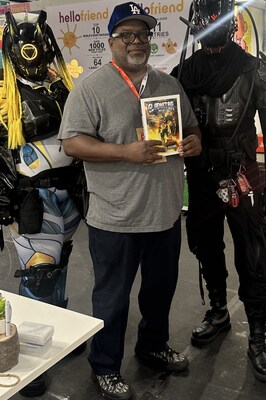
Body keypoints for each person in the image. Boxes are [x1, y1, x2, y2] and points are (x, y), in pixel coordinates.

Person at [58, 2, 201, 399]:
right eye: (127, 35)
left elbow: (190, 127)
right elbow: (72, 143)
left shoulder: (168, 84)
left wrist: (193, 142)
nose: (136, 42)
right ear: (112, 42)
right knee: (112, 300)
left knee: (160, 291)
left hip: (165, 214)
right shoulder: (92, 87)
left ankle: (152, 346)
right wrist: (127, 152)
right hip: (115, 218)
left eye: (142, 34)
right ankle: (104, 366)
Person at [171, 0, 266, 382]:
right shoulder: (182, 74)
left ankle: (259, 329)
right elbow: (166, 125)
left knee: (253, 250)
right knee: (205, 245)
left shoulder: (253, 69)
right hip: (200, 175)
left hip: (242, 174)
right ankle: (218, 311)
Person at [0, 11, 84, 396]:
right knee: (40, 276)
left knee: (61, 266)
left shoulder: (63, 87)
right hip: (31, 199)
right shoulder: (5, 97)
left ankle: (58, 333)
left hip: (68, 196)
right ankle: (30, 358)